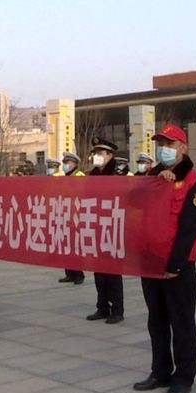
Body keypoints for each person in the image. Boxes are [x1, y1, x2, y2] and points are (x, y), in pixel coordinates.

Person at [133, 123, 196, 393]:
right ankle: (160, 371)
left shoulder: (195, 183)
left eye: (170, 144)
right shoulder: (152, 177)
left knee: (182, 322)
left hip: (177, 267)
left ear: (183, 148)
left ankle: (184, 376)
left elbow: (191, 229)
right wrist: (155, 182)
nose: (163, 149)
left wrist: (174, 265)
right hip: (151, 263)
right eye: (160, 144)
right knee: (157, 321)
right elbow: (131, 202)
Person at [86, 137, 124, 324]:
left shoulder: (118, 174)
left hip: (113, 226)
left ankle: (117, 309)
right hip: (96, 225)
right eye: (95, 153)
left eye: (100, 153)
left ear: (110, 155)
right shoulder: (92, 175)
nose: (96, 156)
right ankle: (102, 307)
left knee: (113, 271)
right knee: (99, 271)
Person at [58, 152, 86, 286]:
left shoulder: (80, 176)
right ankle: (69, 273)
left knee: (75, 246)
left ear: (74, 163)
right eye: (64, 163)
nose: (65, 165)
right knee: (66, 246)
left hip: (76, 216)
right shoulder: (65, 177)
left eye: (67, 162)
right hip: (65, 215)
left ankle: (79, 274)